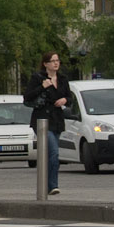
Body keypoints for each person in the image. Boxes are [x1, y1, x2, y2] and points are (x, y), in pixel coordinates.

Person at [24, 51, 74, 197]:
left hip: (57, 119)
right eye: (52, 61)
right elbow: (27, 97)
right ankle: (53, 185)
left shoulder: (63, 79)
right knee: (54, 152)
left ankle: (46, 183)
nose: (56, 63)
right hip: (42, 120)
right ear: (45, 64)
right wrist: (43, 86)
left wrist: (65, 100)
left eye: (57, 60)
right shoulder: (38, 78)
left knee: (50, 155)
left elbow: (69, 97)